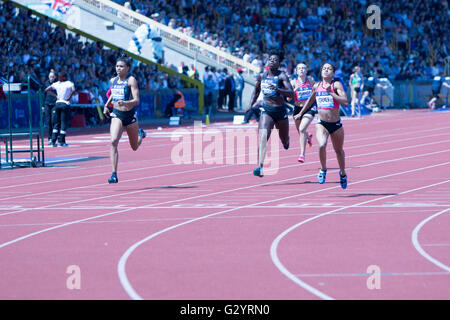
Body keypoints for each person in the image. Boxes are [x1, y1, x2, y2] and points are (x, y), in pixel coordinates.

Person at [294, 62, 349, 189]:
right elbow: (310, 101)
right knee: (322, 144)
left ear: (333, 73)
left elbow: (345, 102)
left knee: (339, 151)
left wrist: (331, 93)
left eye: (329, 69)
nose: (326, 70)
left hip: (336, 124)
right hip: (322, 123)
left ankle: (343, 173)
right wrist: (301, 113)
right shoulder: (317, 86)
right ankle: (323, 169)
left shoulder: (336, 85)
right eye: (324, 68)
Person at [247, 51, 294, 177]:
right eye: (270, 59)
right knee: (263, 137)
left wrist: (278, 90)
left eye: (275, 60)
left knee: (283, 140)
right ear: (267, 62)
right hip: (267, 110)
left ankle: (286, 140)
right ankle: (260, 167)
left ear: (279, 64)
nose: (272, 61)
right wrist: (250, 105)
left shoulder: (282, 76)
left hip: (280, 111)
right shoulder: (262, 76)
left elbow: (291, 93)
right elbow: (256, 91)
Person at [103, 55, 147, 184]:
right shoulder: (113, 80)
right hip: (117, 114)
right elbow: (112, 94)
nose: (118, 68)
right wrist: (106, 105)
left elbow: (137, 100)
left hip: (130, 115)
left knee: (134, 146)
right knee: (113, 141)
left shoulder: (131, 80)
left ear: (127, 68)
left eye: (121, 66)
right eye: (117, 66)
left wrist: (127, 103)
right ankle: (114, 174)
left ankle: (141, 136)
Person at [289, 63, 316, 163]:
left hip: (309, 108)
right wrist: (295, 90)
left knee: (302, 129)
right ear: (296, 71)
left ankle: (302, 154)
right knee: (300, 131)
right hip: (297, 108)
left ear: (306, 70)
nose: (301, 70)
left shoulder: (311, 80)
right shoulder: (293, 82)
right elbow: (288, 99)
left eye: (303, 68)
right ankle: (308, 137)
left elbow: (316, 91)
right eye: (299, 68)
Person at [45, 72, 75, 147]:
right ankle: (62, 141)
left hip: (57, 103)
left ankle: (53, 141)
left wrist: (56, 95)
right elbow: (73, 90)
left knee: (56, 123)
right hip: (65, 103)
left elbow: (47, 90)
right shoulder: (69, 83)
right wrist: (69, 97)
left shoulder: (57, 83)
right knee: (63, 123)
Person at [42, 70, 57, 145]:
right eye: (50, 77)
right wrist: (42, 106)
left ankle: (54, 137)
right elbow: (43, 95)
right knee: (48, 122)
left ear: (55, 77)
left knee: (53, 120)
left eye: (53, 77)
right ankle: (50, 138)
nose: (51, 78)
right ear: (48, 77)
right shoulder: (46, 84)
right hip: (47, 104)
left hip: (54, 104)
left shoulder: (57, 84)